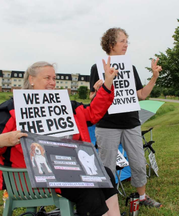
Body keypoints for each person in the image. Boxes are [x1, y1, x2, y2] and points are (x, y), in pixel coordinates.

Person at [0, 60, 121, 216]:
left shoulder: (64, 105)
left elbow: (93, 113)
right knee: (89, 190)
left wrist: (108, 83)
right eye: (47, 78)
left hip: (68, 168)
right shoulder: (12, 109)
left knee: (105, 174)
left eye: (54, 79)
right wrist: (7, 139)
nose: (52, 83)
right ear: (31, 80)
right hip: (31, 176)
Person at [89, 27, 162, 208]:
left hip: (131, 123)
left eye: (127, 41)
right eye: (123, 41)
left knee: (138, 162)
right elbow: (91, 99)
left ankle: (143, 197)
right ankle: (107, 202)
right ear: (111, 44)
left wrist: (154, 77)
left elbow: (141, 95)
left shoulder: (130, 67)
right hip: (107, 125)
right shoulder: (97, 67)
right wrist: (98, 89)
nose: (126, 45)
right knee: (107, 166)